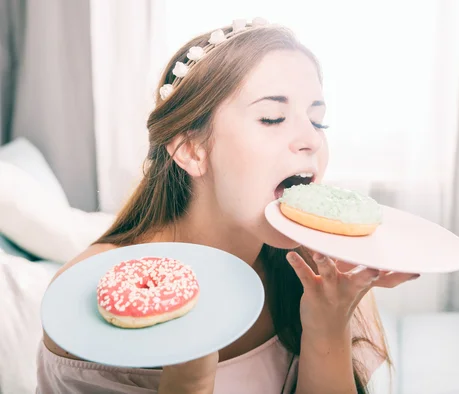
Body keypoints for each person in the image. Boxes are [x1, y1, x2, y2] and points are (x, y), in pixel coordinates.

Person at [37, 18, 419, 394]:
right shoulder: (90, 299)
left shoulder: (315, 273)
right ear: (191, 149)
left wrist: (328, 321)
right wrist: (188, 377)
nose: (311, 141)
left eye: (319, 122)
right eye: (272, 118)